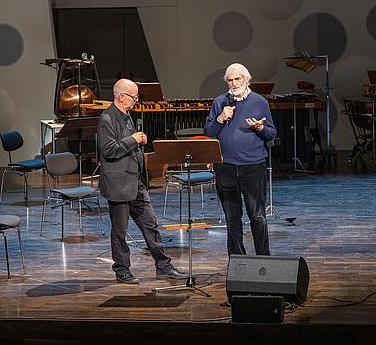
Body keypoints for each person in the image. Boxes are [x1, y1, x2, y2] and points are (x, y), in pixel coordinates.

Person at [97, 78, 185, 284]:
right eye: (134, 96)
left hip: (136, 183)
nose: (136, 100)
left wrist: (139, 140)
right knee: (120, 231)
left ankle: (163, 266)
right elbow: (109, 150)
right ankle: (121, 269)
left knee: (150, 224)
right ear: (121, 97)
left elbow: (127, 145)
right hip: (119, 184)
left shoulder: (127, 116)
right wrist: (134, 140)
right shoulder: (107, 119)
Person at [204, 63, 277, 256]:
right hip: (225, 168)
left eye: (238, 79)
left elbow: (271, 133)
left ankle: (263, 259)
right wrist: (220, 118)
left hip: (252, 167)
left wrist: (260, 128)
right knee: (232, 219)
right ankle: (238, 262)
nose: (234, 83)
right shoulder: (220, 101)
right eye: (230, 80)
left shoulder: (259, 102)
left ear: (246, 79)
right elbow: (209, 133)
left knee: (257, 216)